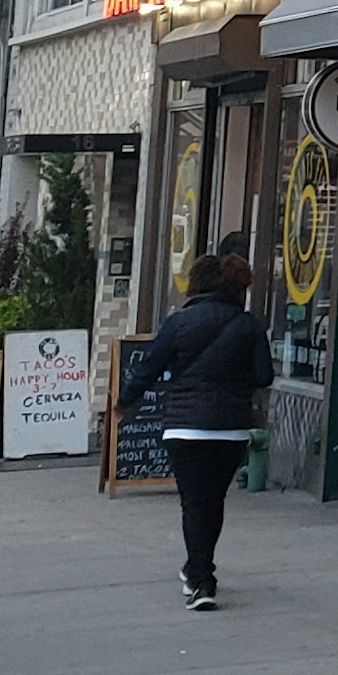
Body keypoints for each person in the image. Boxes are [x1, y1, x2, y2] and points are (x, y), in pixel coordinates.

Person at [132, 254, 267, 610]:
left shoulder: (178, 323)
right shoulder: (250, 325)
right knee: (214, 502)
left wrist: (121, 405)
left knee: (194, 504)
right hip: (231, 429)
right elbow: (264, 375)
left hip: (185, 428)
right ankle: (198, 570)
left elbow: (148, 369)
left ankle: (201, 579)